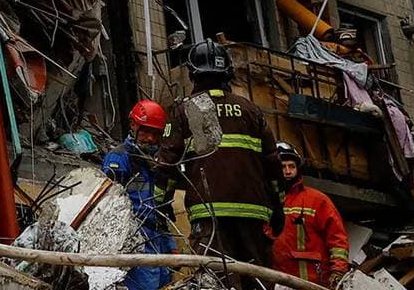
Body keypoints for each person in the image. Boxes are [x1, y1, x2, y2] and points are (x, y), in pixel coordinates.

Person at [156, 39, 280, 271]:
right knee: (256, 280)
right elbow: (273, 164)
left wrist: (161, 203)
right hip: (253, 213)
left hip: (209, 215)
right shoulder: (252, 110)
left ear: (193, 74)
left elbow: (166, 164)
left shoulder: (187, 109)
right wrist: (278, 207)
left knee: (215, 279)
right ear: (228, 73)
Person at [102, 100, 175, 290]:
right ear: (133, 126)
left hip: (156, 243)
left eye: (156, 134)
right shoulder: (118, 158)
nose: (150, 139)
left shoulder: (156, 164)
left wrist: (170, 245)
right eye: (145, 131)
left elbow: (159, 209)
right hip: (134, 244)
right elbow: (107, 208)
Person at [271, 142, 349, 287]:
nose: (287, 171)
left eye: (292, 166)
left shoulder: (317, 200)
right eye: (283, 167)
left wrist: (338, 270)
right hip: (278, 280)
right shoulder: (267, 201)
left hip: (313, 281)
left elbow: (337, 238)